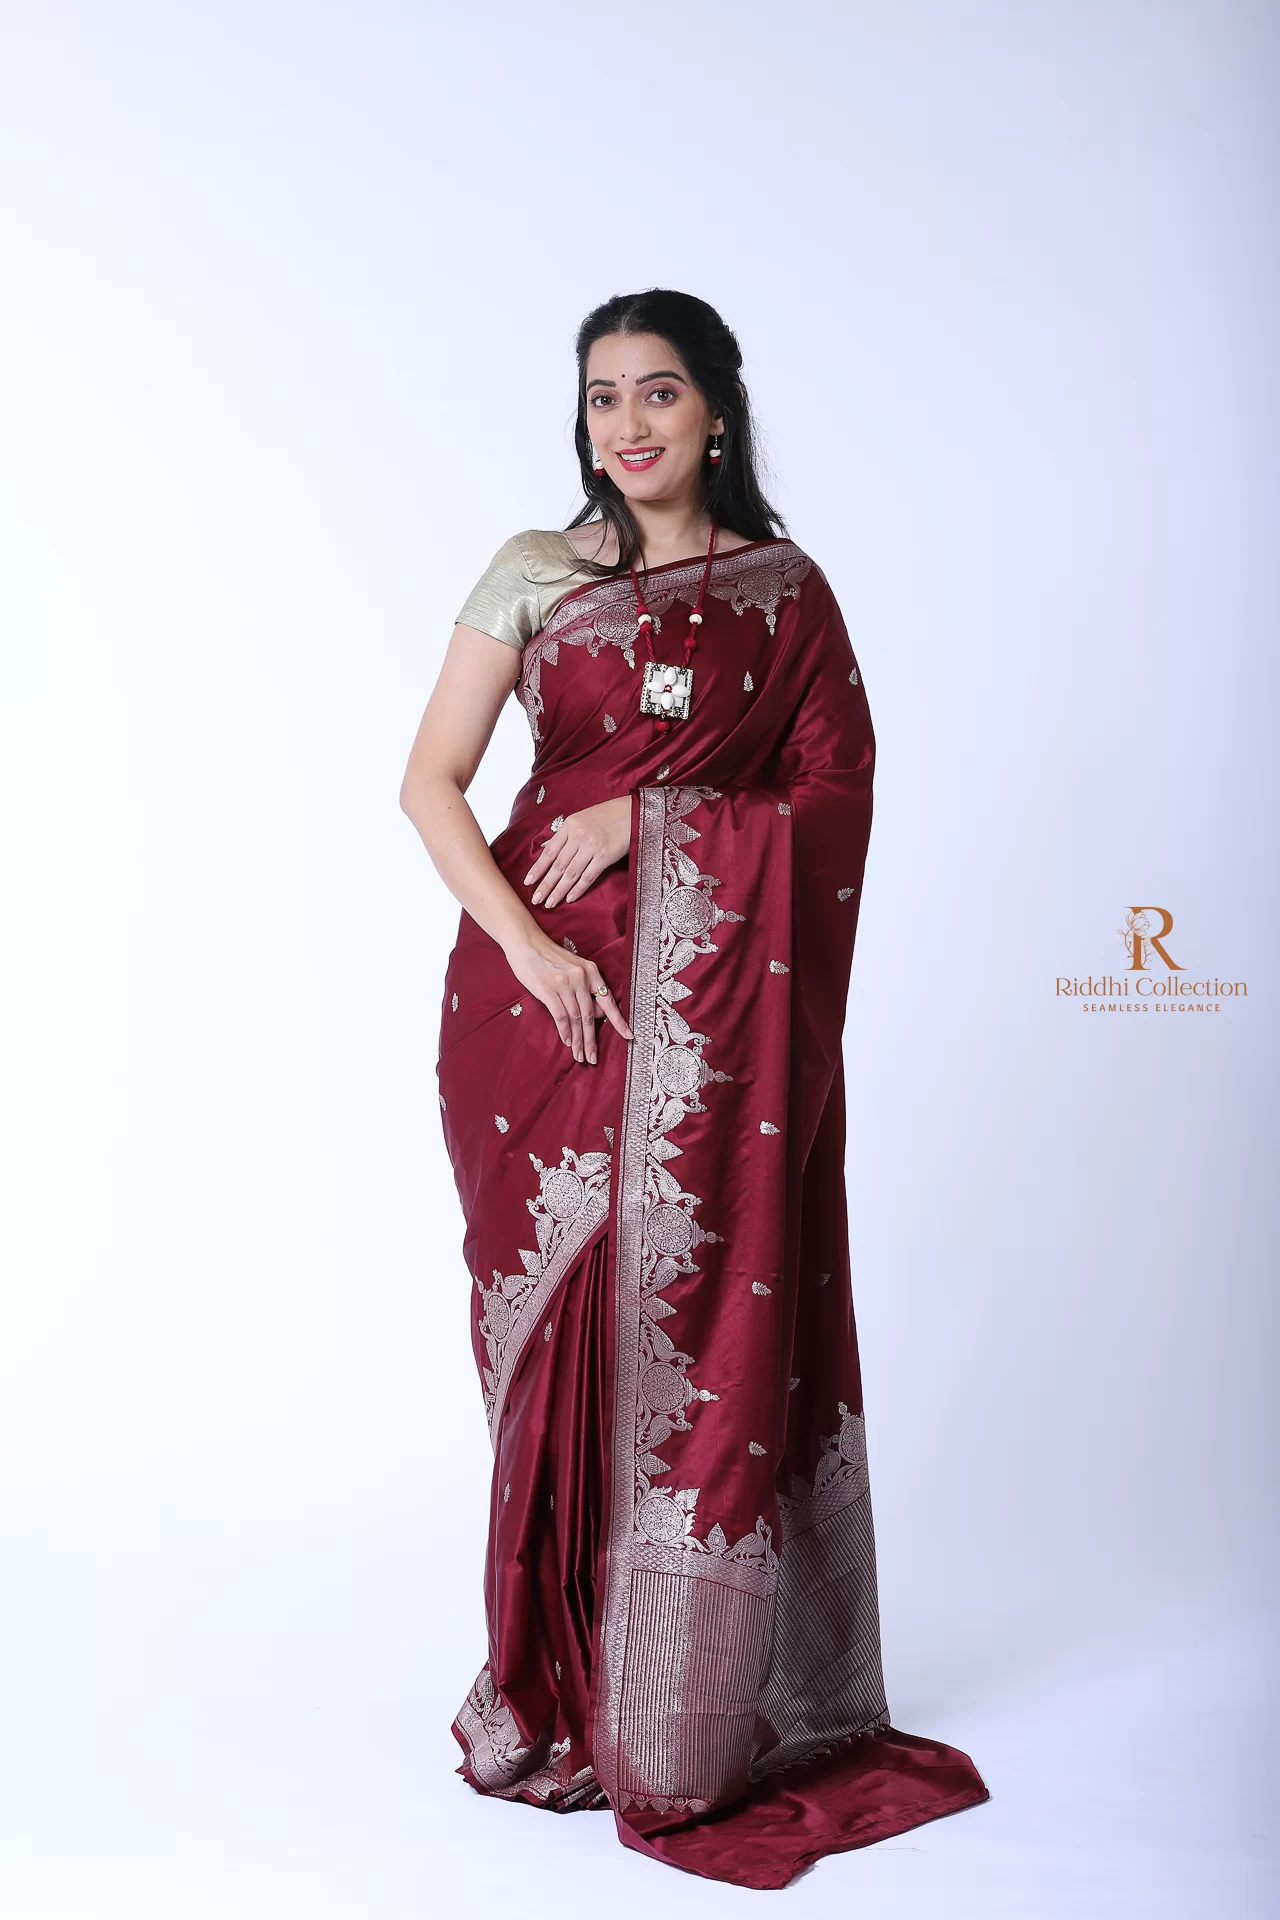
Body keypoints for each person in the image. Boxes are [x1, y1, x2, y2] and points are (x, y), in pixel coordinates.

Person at [399, 288, 989, 1888]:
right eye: (603, 397)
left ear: (716, 409)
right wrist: (531, 946)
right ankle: (555, 1693)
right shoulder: (536, 570)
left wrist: (654, 825)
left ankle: (670, 1715)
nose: (629, 424)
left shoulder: (787, 596)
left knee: (678, 1318)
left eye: (658, 392)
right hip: (535, 1009)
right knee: (555, 1341)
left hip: (712, 1023)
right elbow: (430, 785)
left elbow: (836, 794)